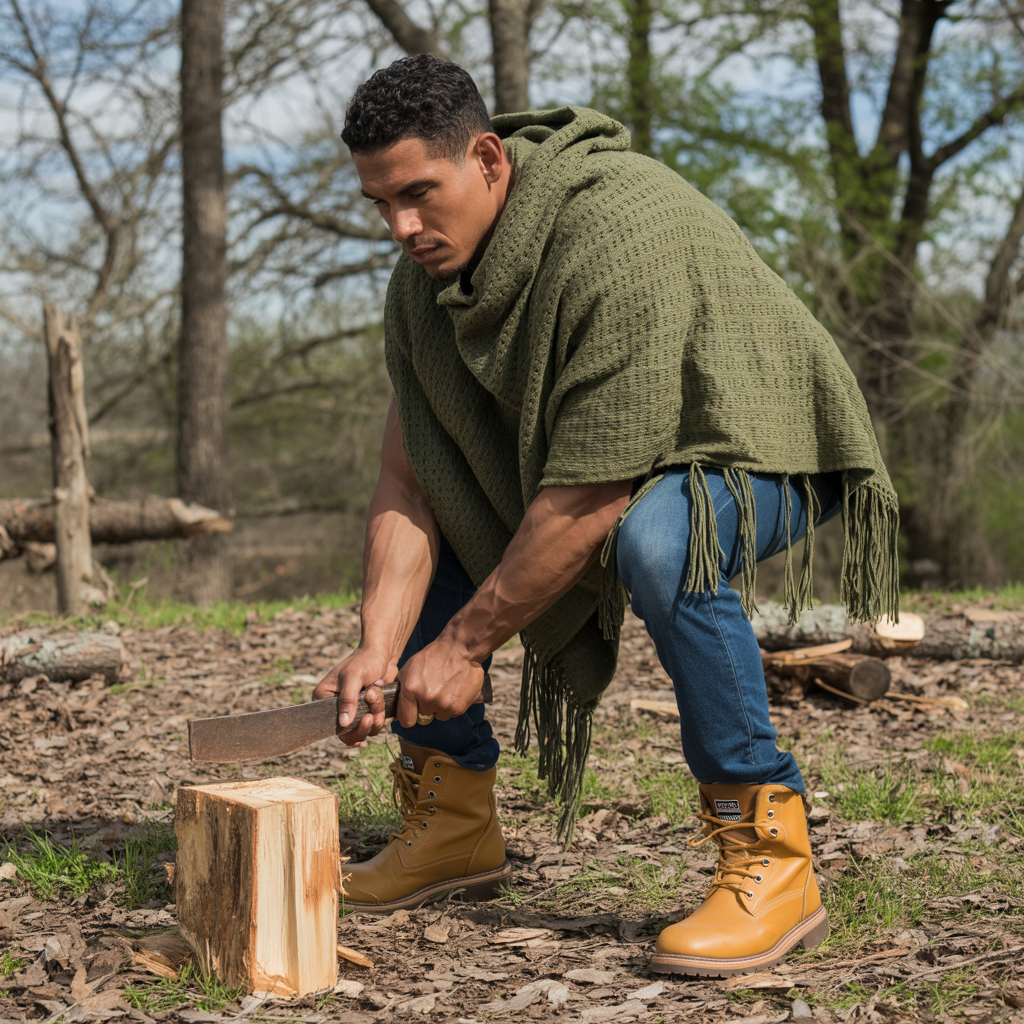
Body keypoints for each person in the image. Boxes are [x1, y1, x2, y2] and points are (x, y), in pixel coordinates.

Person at [313, 53, 899, 978]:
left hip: (753, 435)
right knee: (478, 501)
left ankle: (773, 856)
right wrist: (381, 647)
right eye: (381, 204)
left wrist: (460, 648)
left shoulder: (615, 229)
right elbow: (414, 480)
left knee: (660, 542)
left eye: (420, 193)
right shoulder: (421, 288)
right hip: (606, 461)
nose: (402, 226)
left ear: (490, 160)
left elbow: (589, 498)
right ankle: (454, 819)